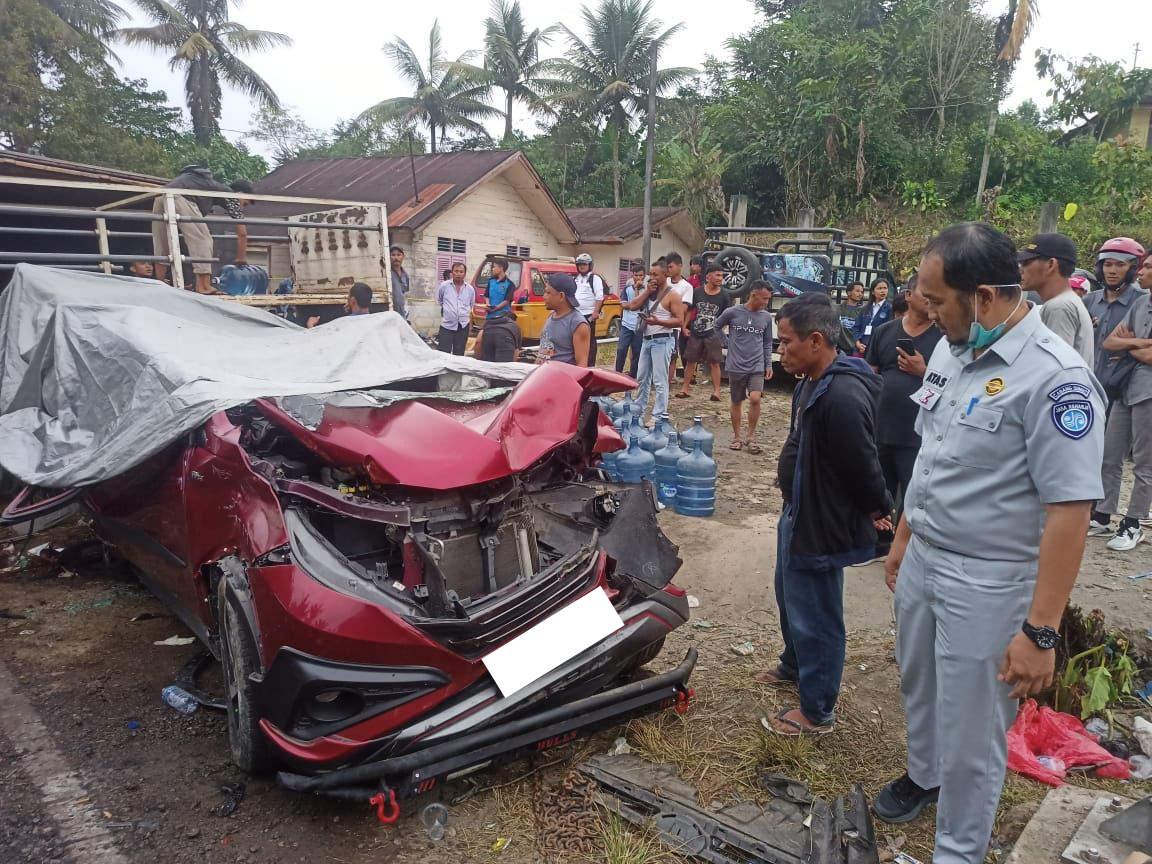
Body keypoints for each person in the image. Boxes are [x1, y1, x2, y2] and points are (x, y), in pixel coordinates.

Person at [876, 223, 1104, 864]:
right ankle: (925, 775)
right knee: (919, 683)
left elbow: (1070, 511)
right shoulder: (952, 349)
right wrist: (904, 536)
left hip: (990, 578)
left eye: (935, 301)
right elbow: (933, 456)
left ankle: (959, 850)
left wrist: (1041, 632)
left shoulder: (1056, 380)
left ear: (982, 297)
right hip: (925, 556)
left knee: (975, 729)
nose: (923, 312)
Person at [759, 294, 889, 737]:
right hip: (797, 509)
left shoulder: (844, 394)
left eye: (786, 342)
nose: (782, 352)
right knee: (789, 595)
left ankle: (817, 710)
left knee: (817, 612)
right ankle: (793, 665)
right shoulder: (809, 382)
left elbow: (863, 463)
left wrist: (879, 509)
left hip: (820, 519)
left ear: (816, 340)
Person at [865, 275, 942, 528]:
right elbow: (869, 374)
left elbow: (953, 384)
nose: (931, 298)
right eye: (926, 292)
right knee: (878, 491)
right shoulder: (883, 332)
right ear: (908, 296)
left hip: (918, 435)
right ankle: (879, 544)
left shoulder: (944, 339)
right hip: (882, 429)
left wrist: (923, 371)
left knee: (913, 494)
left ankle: (904, 550)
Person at [1093, 280, 1152, 551]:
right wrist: (1138, 344)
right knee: (1110, 453)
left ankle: (1133, 523)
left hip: (1148, 392)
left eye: (1150, 266)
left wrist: (1127, 347)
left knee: (1144, 462)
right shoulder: (1142, 303)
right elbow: (1110, 342)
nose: (1143, 271)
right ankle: (1102, 514)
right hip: (1125, 388)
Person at [152, 166, 253, 294]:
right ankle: (203, 286)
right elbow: (242, 232)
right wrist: (241, 258)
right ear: (241, 194)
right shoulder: (230, 194)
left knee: (162, 241)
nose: (242, 208)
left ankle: (159, 282)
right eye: (245, 203)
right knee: (203, 240)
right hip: (182, 196)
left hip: (161, 195)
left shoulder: (208, 187)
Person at [713, 280, 774, 454]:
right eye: (764, 298)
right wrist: (727, 343)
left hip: (756, 364)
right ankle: (737, 437)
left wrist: (768, 363)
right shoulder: (732, 312)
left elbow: (767, 342)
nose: (766, 302)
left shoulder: (765, 317)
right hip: (735, 364)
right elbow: (717, 327)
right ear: (753, 294)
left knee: (755, 398)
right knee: (736, 400)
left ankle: (751, 437)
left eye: (768, 299)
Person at [1018, 233, 1094, 365]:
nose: (1021, 269)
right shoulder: (1067, 301)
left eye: (1026, 263)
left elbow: (1054, 365)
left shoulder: (1059, 306)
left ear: (1051, 265)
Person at [1084, 237, 1148, 386]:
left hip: (1125, 387)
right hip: (1088, 382)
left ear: (1133, 270)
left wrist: (1127, 349)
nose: (1112, 271)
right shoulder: (1088, 301)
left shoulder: (1142, 304)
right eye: (1108, 264)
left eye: (1120, 265)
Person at [634, 260, 687, 426]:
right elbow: (635, 304)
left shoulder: (673, 295)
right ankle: (639, 412)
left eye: (656, 274)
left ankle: (658, 416)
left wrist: (658, 322)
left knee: (660, 380)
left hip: (663, 340)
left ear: (666, 275)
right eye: (651, 274)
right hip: (646, 339)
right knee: (642, 378)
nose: (652, 277)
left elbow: (679, 321)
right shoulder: (650, 293)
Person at [677, 263, 731, 401]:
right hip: (696, 331)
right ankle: (685, 389)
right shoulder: (697, 292)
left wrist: (720, 330)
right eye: (717, 275)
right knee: (690, 360)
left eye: (722, 275)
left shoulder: (724, 295)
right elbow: (690, 310)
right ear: (708, 276)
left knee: (715, 362)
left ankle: (717, 392)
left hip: (713, 333)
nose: (720, 278)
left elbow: (727, 315)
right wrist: (684, 326)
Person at [539, 273, 591, 367]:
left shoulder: (578, 324)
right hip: (542, 376)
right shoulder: (551, 316)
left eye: (548, 293)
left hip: (561, 379)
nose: (544, 296)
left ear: (561, 296)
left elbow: (581, 365)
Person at [665, 252, 696, 386]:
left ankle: (668, 381)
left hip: (674, 326)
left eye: (671, 267)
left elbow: (684, 309)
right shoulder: (664, 281)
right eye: (667, 267)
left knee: (672, 356)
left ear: (679, 266)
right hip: (657, 324)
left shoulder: (686, 286)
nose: (669, 270)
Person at [615, 261, 648, 379]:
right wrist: (632, 305)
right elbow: (624, 305)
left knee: (637, 352)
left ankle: (633, 375)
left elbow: (641, 305)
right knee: (621, 349)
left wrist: (633, 302)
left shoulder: (647, 290)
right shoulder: (627, 289)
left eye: (640, 275)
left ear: (644, 276)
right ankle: (617, 373)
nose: (638, 277)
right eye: (636, 275)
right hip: (627, 325)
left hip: (639, 326)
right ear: (632, 275)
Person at [574, 252, 607, 366]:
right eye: (579, 264)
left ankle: (590, 365)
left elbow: (599, 297)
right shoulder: (576, 278)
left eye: (584, 264)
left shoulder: (595, 278)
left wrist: (595, 313)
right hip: (576, 314)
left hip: (588, 315)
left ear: (589, 265)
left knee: (589, 341)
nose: (582, 266)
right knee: (576, 340)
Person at [436, 262, 475, 355]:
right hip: (447, 326)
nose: (458, 274)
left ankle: (456, 370)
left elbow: (471, 304)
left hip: (463, 326)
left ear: (465, 274)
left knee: (459, 354)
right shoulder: (444, 286)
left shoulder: (470, 289)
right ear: (452, 273)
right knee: (443, 353)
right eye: (456, 271)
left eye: (461, 272)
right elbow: (440, 300)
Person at [305, 282, 373, 328]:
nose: (347, 299)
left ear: (353, 300)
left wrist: (310, 327)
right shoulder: (375, 322)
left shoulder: (343, 325)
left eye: (348, 297)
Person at [853, 279, 893, 354]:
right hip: (860, 347)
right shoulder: (865, 308)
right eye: (879, 288)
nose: (883, 291)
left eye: (885, 288)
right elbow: (856, 328)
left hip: (876, 349)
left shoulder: (890, 309)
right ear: (872, 292)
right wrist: (857, 343)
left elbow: (888, 332)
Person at [389, 245, 410, 319]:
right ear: (389, 256)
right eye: (393, 255)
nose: (396, 258)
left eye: (398, 255)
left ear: (403, 257)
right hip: (389, 314)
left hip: (402, 315)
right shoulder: (387, 273)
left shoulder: (405, 275)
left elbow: (405, 294)